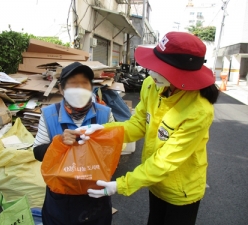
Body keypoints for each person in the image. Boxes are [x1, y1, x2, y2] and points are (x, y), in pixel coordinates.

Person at [80, 32, 220, 225]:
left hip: (181, 190)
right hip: (154, 180)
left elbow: (166, 160)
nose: (151, 72)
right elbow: (138, 124)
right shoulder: (151, 85)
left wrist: (121, 184)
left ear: (180, 74)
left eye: (159, 68)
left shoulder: (199, 110)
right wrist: (103, 131)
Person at [33, 62, 115, 225]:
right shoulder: (49, 114)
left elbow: (114, 152)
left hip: (95, 195)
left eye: (84, 83)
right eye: (73, 84)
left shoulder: (105, 114)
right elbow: (37, 153)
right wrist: (59, 142)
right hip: (61, 198)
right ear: (62, 89)